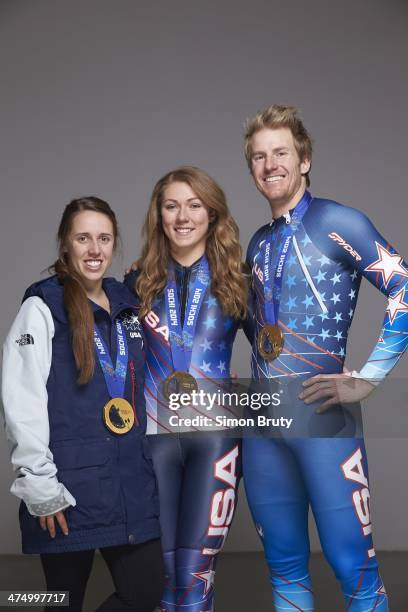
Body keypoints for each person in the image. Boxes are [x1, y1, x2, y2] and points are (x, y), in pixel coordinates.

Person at [243, 105, 408, 610]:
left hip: (324, 423)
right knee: (285, 571)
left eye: (281, 153)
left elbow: (403, 288)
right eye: (258, 157)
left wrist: (369, 378)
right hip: (264, 427)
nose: (270, 164)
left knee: (353, 569)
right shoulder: (257, 243)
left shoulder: (337, 220)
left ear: (305, 159)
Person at [2, 197, 164, 612]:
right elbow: (22, 398)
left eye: (104, 238)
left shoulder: (127, 304)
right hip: (67, 493)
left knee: (145, 592)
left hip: (129, 486)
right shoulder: (41, 308)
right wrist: (39, 485)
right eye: (83, 238)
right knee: (60, 602)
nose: (95, 249)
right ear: (65, 244)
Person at [125, 166, 251, 611]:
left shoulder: (238, 280)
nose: (183, 216)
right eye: (171, 205)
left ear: (212, 214)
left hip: (214, 441)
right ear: (158, 215)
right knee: (158, 579)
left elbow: (276, 355)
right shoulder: (135, 283)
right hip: (151, 440)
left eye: (194, 205)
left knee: (195, 577)